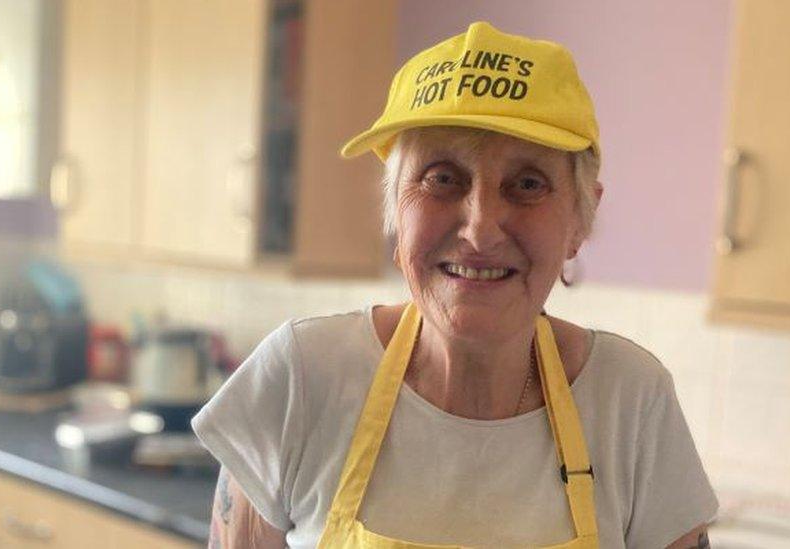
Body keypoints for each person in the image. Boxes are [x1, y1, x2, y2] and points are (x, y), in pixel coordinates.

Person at [193, 21, 717, 548]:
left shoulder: (631, 400)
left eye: (528, 183)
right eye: (442, 178)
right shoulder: (300, 379)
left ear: (580, 220)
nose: (481, 227)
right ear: (396, 208)